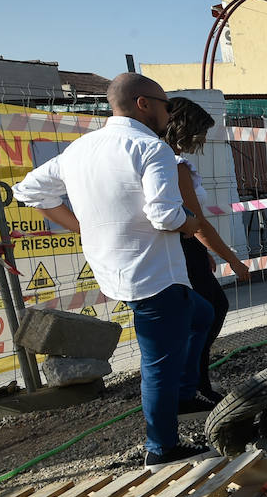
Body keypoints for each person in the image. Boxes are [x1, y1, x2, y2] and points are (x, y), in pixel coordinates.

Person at [13, 73, 215, 467]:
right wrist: (190, 223)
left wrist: (83, 227)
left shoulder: (79, 150)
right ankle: (161, 449)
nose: (169, 113)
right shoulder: (150, 148)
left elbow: (29, 191)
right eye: (165, 105)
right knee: (157, 365)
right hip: (154, 275)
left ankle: (186, 392)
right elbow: (165, 216)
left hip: (117, 269)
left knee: (203, 314)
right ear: (143, 103)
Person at [161, 97, 252, 400]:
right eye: (199, 132)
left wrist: (206, 252)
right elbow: (197, 222)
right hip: (181, 251)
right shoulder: (174, 167)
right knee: (202, 317)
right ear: (182, 127)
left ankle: (196, 382)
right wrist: (234, 261)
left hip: (188, 249)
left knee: (210, 311)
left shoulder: (169, 161)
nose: (201, 140)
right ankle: (192, 387)